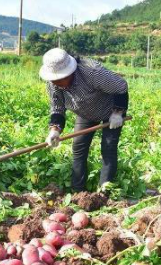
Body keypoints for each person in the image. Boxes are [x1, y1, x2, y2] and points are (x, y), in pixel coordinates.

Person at [39, 48, 128, 192]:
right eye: (55, 80)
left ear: (71, 71)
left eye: (62, 78)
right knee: (79, 148)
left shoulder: (92, 72)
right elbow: (57, 108)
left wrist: (118, 112)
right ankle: (78, 192)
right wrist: (54, 130)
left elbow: (121, 86)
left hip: (110, 111)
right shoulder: (53, 83)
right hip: (85, 113)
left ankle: (104, 192)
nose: (59, 83)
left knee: (108, 147)